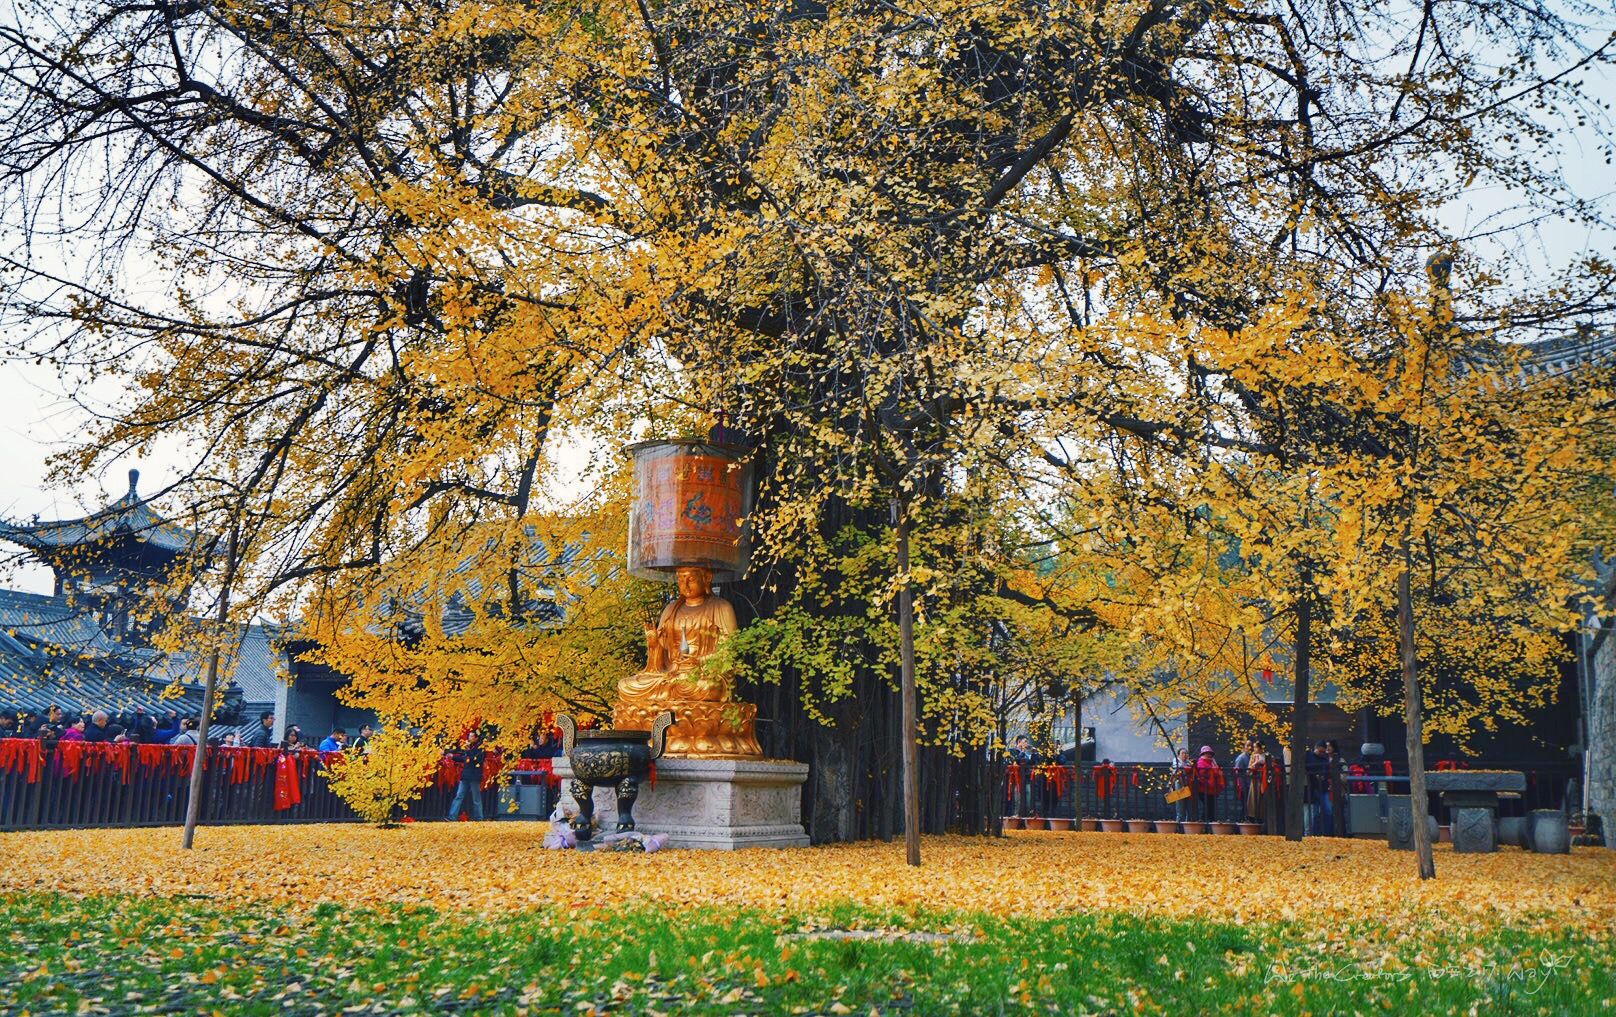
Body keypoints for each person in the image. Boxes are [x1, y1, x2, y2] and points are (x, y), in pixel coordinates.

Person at [447, 730, 486, 821]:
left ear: (476, 738)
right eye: (469, 736)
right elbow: (465, 759)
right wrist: (453, 757)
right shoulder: (469, 748)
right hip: (465, 775)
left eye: (471, 736)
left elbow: (474, 759)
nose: (469, 738)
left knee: (476, 798)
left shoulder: (480, 749)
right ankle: (452, 816)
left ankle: (479, 818)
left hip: (474, 776)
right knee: (459, 796)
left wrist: (468, 751)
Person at [1007, 734, 1037, 817]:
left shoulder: (1026, 754)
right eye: (1025, 741)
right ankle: (1016, 815)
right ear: (1019, 742)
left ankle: (1026, 816)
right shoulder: (1012, 751)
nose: (1027, 744)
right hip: (1016, 779)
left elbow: (1032, 763)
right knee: (1017, 798)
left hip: (1026, 779)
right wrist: (1023, 751)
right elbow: (1017, 760)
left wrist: (1034, 753)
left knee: (1028, 798)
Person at [1193, 745, 1225, 822]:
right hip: (1204, 789)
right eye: (1207, 753)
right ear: (1203, 754)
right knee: (1207, 805)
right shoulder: (1201, 762)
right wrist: (1208, 783)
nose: (1209, 755)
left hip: (1212, 789)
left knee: (1211, 806)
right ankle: (1205, 821)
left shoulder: (1213, 762)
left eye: (1210, 753)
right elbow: (1202, 776)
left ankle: (1211, 821)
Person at [1172, 748, 1194, 822]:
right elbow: (1176, 771)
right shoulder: (1176, 762)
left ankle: (1188, 822)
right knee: (1180, 803)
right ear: (1178, 755)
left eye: (1186, 753)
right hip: (1180, 782)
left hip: (1188, 783)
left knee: (1189, 803)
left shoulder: (1189, 763)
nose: (1185, 755)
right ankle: (1179, 822)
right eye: (1183, 753)